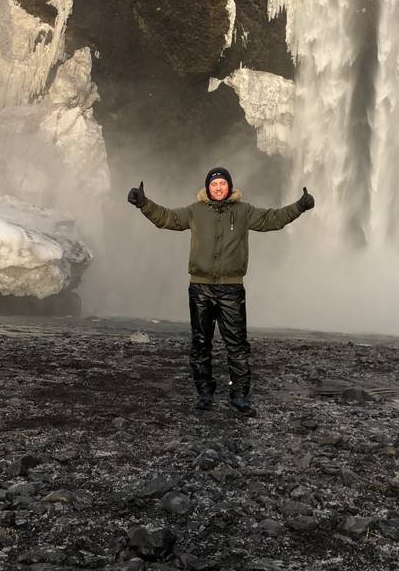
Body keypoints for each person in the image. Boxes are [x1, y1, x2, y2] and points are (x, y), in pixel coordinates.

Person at [127, 167, 314, 415]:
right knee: (201, 343)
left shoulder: (243, 211)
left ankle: (239, 397)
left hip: (231, 288)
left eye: (222, 184)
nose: (218, 188)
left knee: (236, 345)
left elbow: (272, 219)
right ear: (207, 188)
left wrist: (299, 206)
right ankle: (205, 394)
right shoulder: (195, 211)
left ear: (229, 187)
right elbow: (167, 218)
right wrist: (143, 203)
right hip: (200, 287)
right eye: (214, 184)